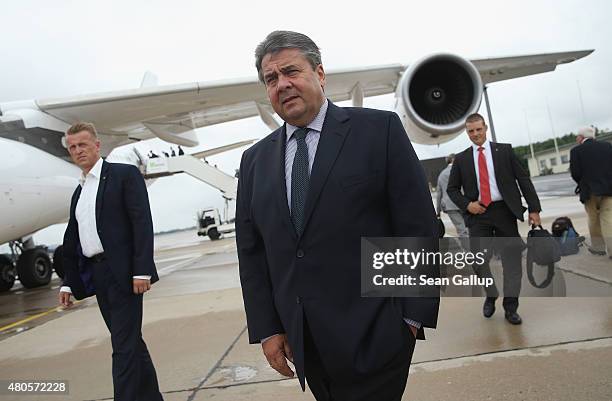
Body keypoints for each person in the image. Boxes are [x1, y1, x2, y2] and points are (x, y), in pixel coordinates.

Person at [236, 31, 438, 401]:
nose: (282, 84)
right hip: (305, 345)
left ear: (320, 73)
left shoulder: (379, 132)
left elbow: (417, 226)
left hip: (376, 333)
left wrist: (410, 319)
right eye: (271, 78)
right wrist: (268, 330)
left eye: (291, 71)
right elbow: (253, 254)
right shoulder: (254, 162)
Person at [58, 122, 163, 401]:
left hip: (126, 274)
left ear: (97, 145)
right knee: (131, 344)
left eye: (82, 144)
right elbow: (74, 240)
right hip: (99, 276)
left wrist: (142, 270)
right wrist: (69, 283)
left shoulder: (123, 175)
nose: (78, 151)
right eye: (72, 147)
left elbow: (141, 222)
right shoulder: (80, 192)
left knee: (123, 347)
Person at [447, 113, 541, 325]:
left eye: (478, 129)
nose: (475, 134)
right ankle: (491, 293)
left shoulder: (504, 151)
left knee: (512, 262)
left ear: (485, 128)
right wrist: (467, 204)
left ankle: (511, 308)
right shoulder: (461, 159)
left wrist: (534, 209)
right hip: (478, 214)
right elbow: (452, 189)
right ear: (467, 132)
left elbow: (523, 179)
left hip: (504, 212)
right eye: (471, 131)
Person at [570, 126, 612, 257]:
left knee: (593, 219)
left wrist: (582, 183)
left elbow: (576, 173)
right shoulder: (607, 146)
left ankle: (598, 248)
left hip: (589, 190)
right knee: (608, 219)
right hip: (609, 189)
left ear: (581, 137)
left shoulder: (576, 151)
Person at [436, 153, 469, 244]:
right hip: (464, 203)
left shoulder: (442, 175)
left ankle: (469, 252)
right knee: (469, 227)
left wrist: (438, 210)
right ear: (454, 160)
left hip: (450, 206)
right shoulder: (461, 170)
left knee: (461, 229)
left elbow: (439, 193)